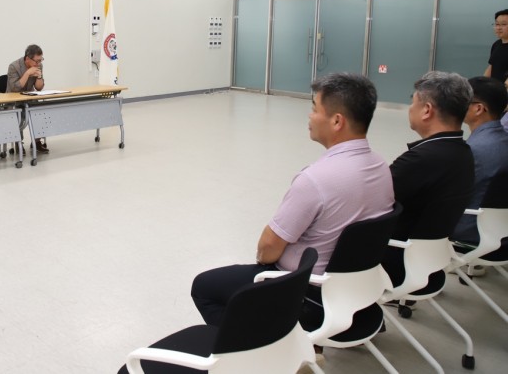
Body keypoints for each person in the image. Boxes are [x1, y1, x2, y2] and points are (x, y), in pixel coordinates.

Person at [191, 73, 394, 326]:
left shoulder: (315, 180)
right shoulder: (381, 167)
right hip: (357, 291)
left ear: (336, 121)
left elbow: (268, 249)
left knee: (204, 287)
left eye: (314, 108)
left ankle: (260, 342)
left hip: (304, 294)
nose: (310, 116)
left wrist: (265, 260)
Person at [381, 71, 475, 286]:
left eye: (413, 102)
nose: (410, 108)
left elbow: (367, 202)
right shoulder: (463, 152)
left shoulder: (420, 160)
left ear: (427, 110)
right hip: (430, 261)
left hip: (395, 265)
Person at [451, 77, 508, 246]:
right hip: (500, 229)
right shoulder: (501, 140)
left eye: (462, 101)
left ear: (478, 109)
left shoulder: (472, 150)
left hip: (470, 230)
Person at [6, 44, 49, 153]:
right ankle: (18, 142)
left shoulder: (39, 66)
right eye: (36, 61)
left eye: (40, 60)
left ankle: (37, 141)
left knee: (40, 110)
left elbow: (39, 88)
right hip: (14, 100)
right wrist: (27, 73)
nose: (38, 63)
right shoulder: (14, 66)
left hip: (29, 99)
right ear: (28, 59)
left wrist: (39, 76)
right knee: (17, 114)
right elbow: (15, 88)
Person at [485, 9, 508, 86]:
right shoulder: (496, 44)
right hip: (494, 90)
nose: (498, 28)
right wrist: (481, 85)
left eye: (503, 24)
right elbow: (491, 67)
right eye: (497, 24)